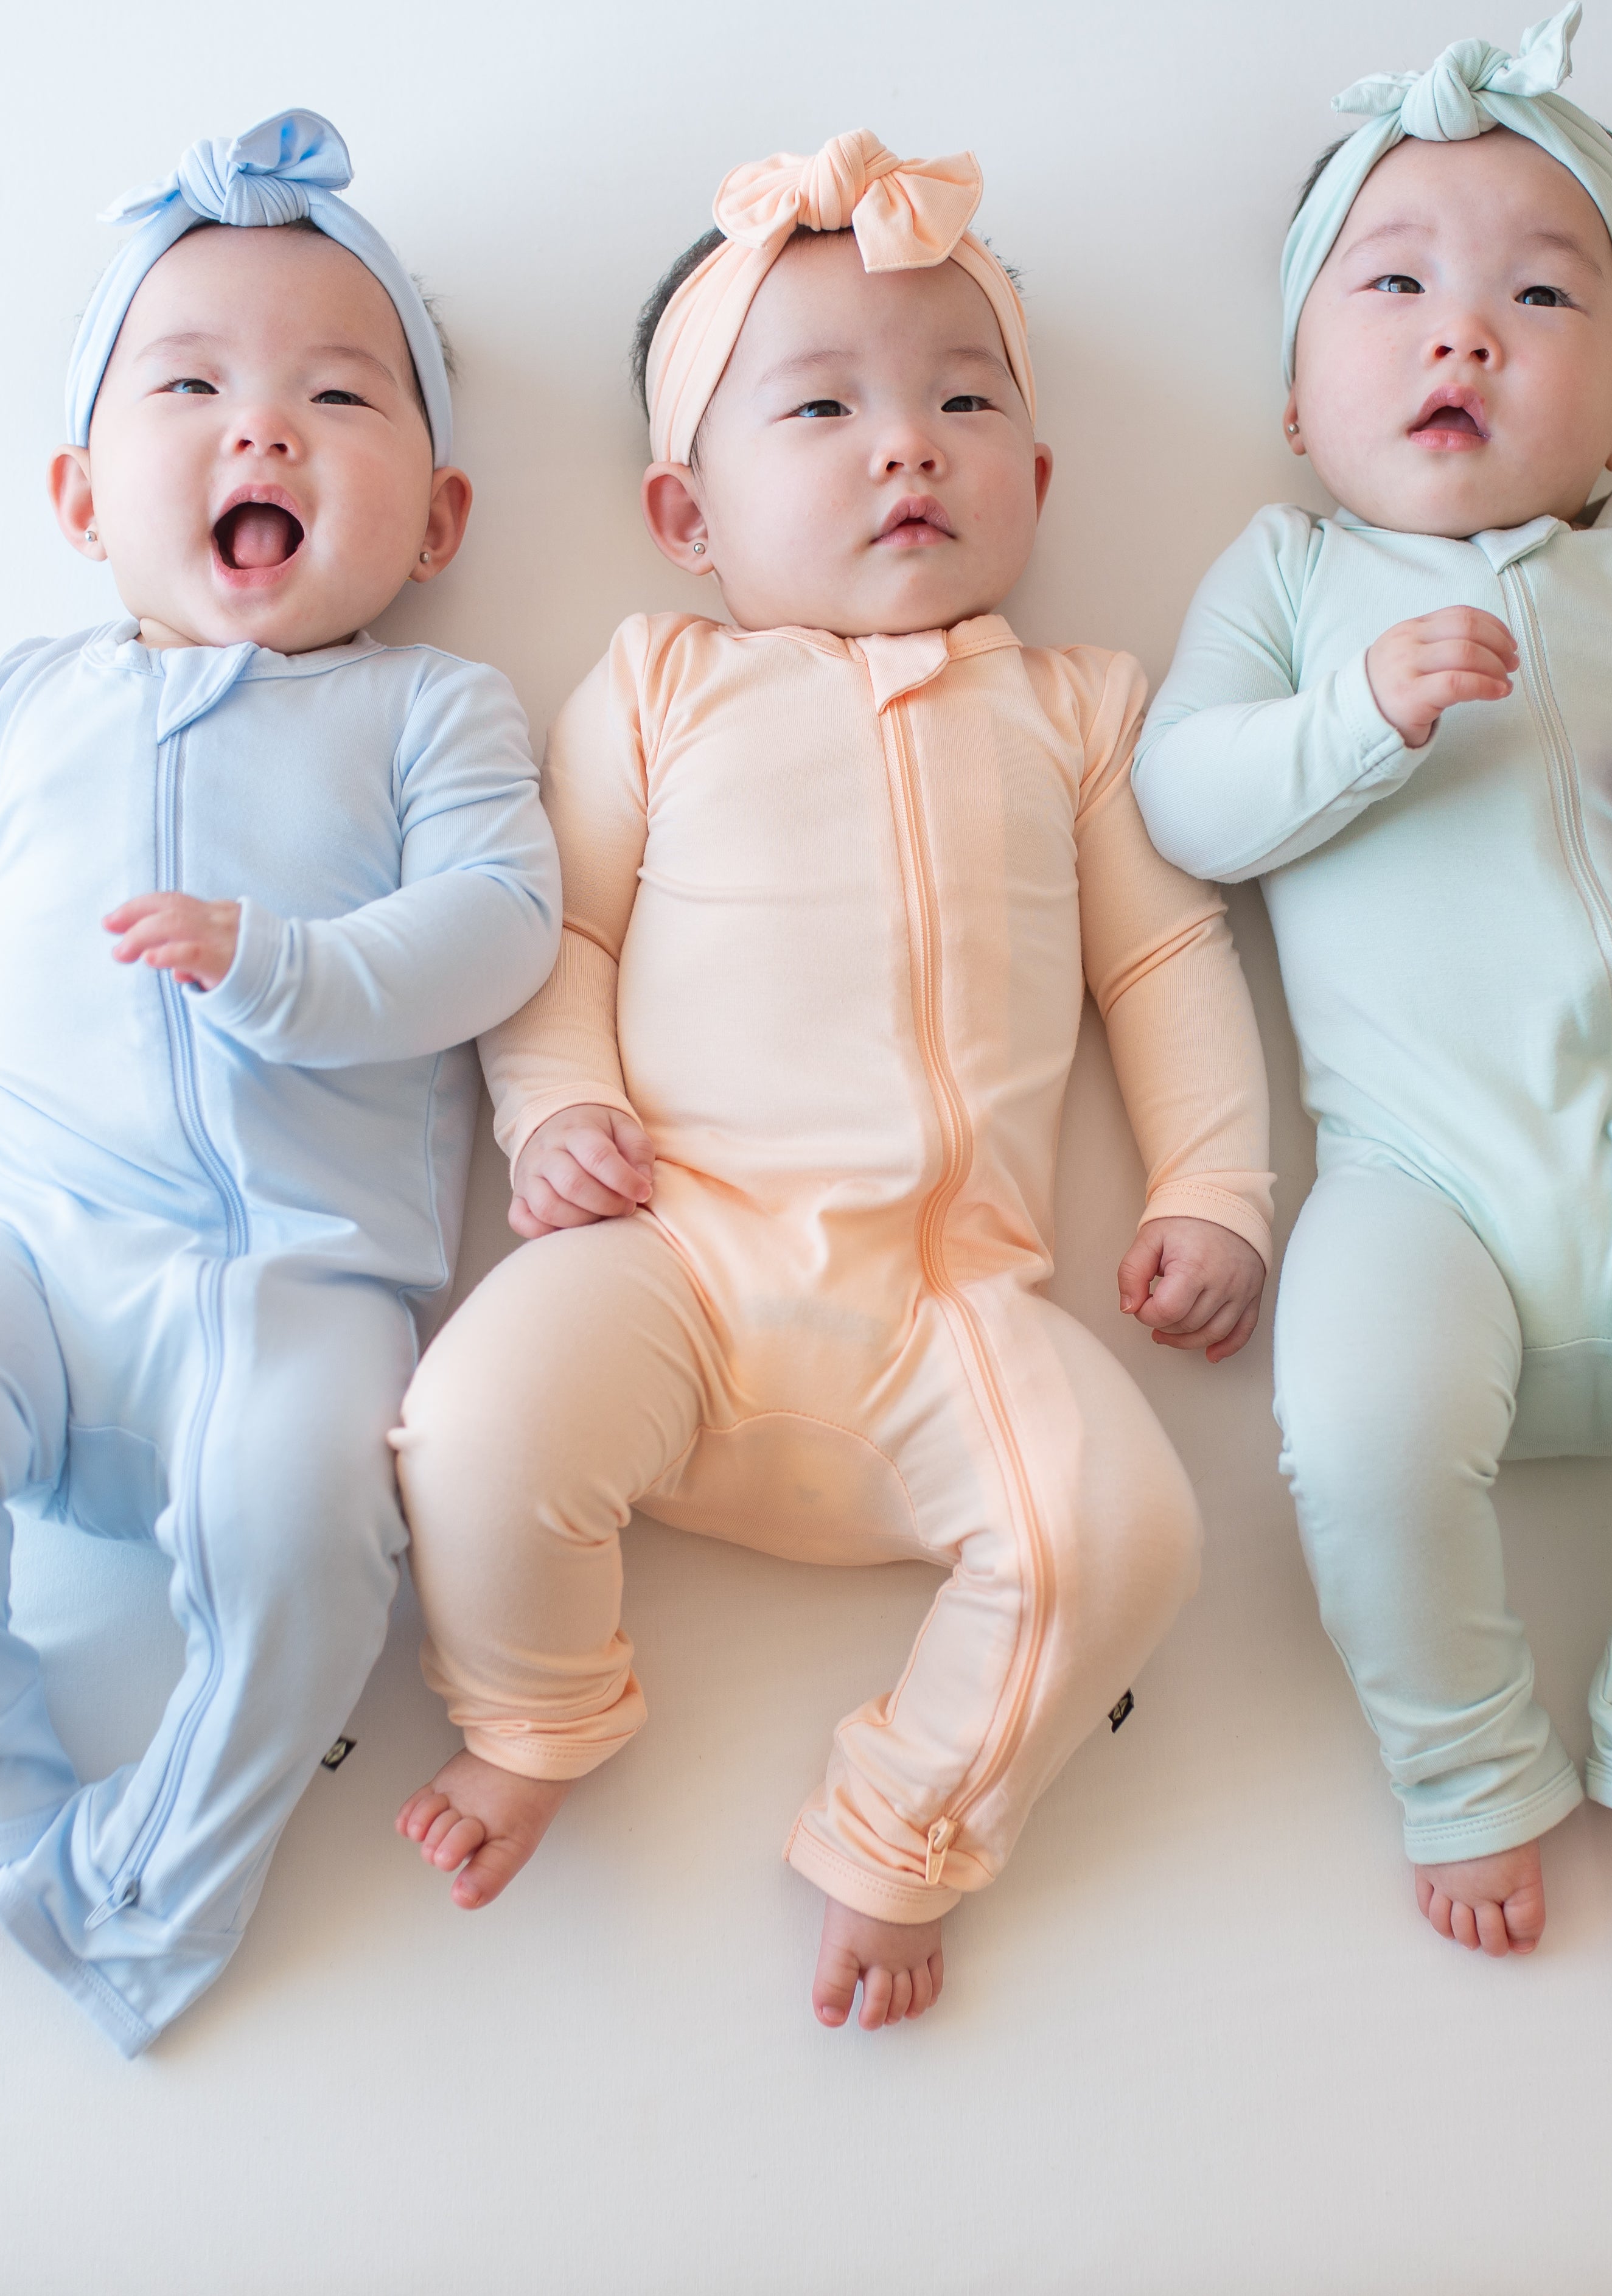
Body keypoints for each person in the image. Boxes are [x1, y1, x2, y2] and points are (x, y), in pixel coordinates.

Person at [391, 131, 1275, 2030]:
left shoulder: (1080, 712)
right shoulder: (652, 685)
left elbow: (1162, 961)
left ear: (1037, 480)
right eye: (822, 406)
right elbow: (566, 938)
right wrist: (554, 1119)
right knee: (473, 1424)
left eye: (964, 401)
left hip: (950, 1308)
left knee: (1125, 1531)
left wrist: (1215, 1194)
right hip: (675, 1257)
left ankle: (906, 1827)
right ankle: (540, 1715)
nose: (908, 445)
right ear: (685, 514)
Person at [0, 110, 560, 2054]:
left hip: (298, 1278)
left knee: (308, 1549)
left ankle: (156, 1891)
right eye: (189, 387)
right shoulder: (20, 706)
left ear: (437, 521)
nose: (259, 431)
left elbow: (501, 927)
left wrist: (287, 964)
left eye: (337, 395)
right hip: (28, 1240)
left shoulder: (433, 706)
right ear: (82, 493)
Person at [1134, 7, 1612, 1956]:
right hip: (1420, 1178)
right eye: (1393, 287)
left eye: (1540, 295)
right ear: (1302, 396)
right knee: (1356, 1440)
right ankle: (1463, 1761)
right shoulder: (1293, 579)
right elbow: (1188, 799)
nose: (1460, 332)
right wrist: (1355, 722)